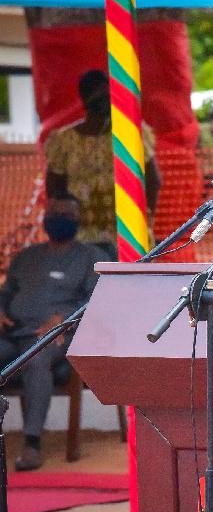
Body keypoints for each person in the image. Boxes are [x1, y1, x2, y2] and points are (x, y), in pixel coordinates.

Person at [0, 193, 107, 470]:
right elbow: (6, 292)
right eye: (55, 213)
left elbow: (98, 300)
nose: (60, 219)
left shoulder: (91, 257)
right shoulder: (26, 257)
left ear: (79, 221)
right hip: (14, 334)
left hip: (60, 336)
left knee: (35, 360)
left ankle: (31, 444)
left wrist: (65, 318)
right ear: (46, 219)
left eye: (68, 215)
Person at [44, 69, 161, 259]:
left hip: (127, 233)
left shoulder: (130, 133)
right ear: (85, 98)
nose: (105, 100)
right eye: (98, 94)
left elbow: (153, 180)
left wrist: (143, 220)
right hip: (81, 236)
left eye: (108, 94)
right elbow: (54, 188)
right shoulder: (64, 140)